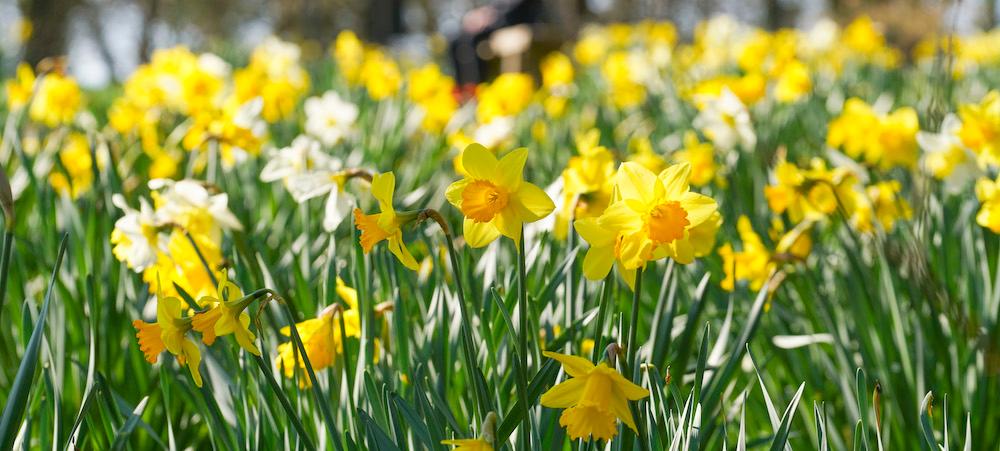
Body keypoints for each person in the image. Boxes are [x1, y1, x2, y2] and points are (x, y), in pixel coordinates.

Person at [448, 0, 546, 86]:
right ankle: (461, 89)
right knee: (455, 41)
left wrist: (490, 16)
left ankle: (476, 87)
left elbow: (513, 8)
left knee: (471, 40)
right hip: (499, 18)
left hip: (516, 20)